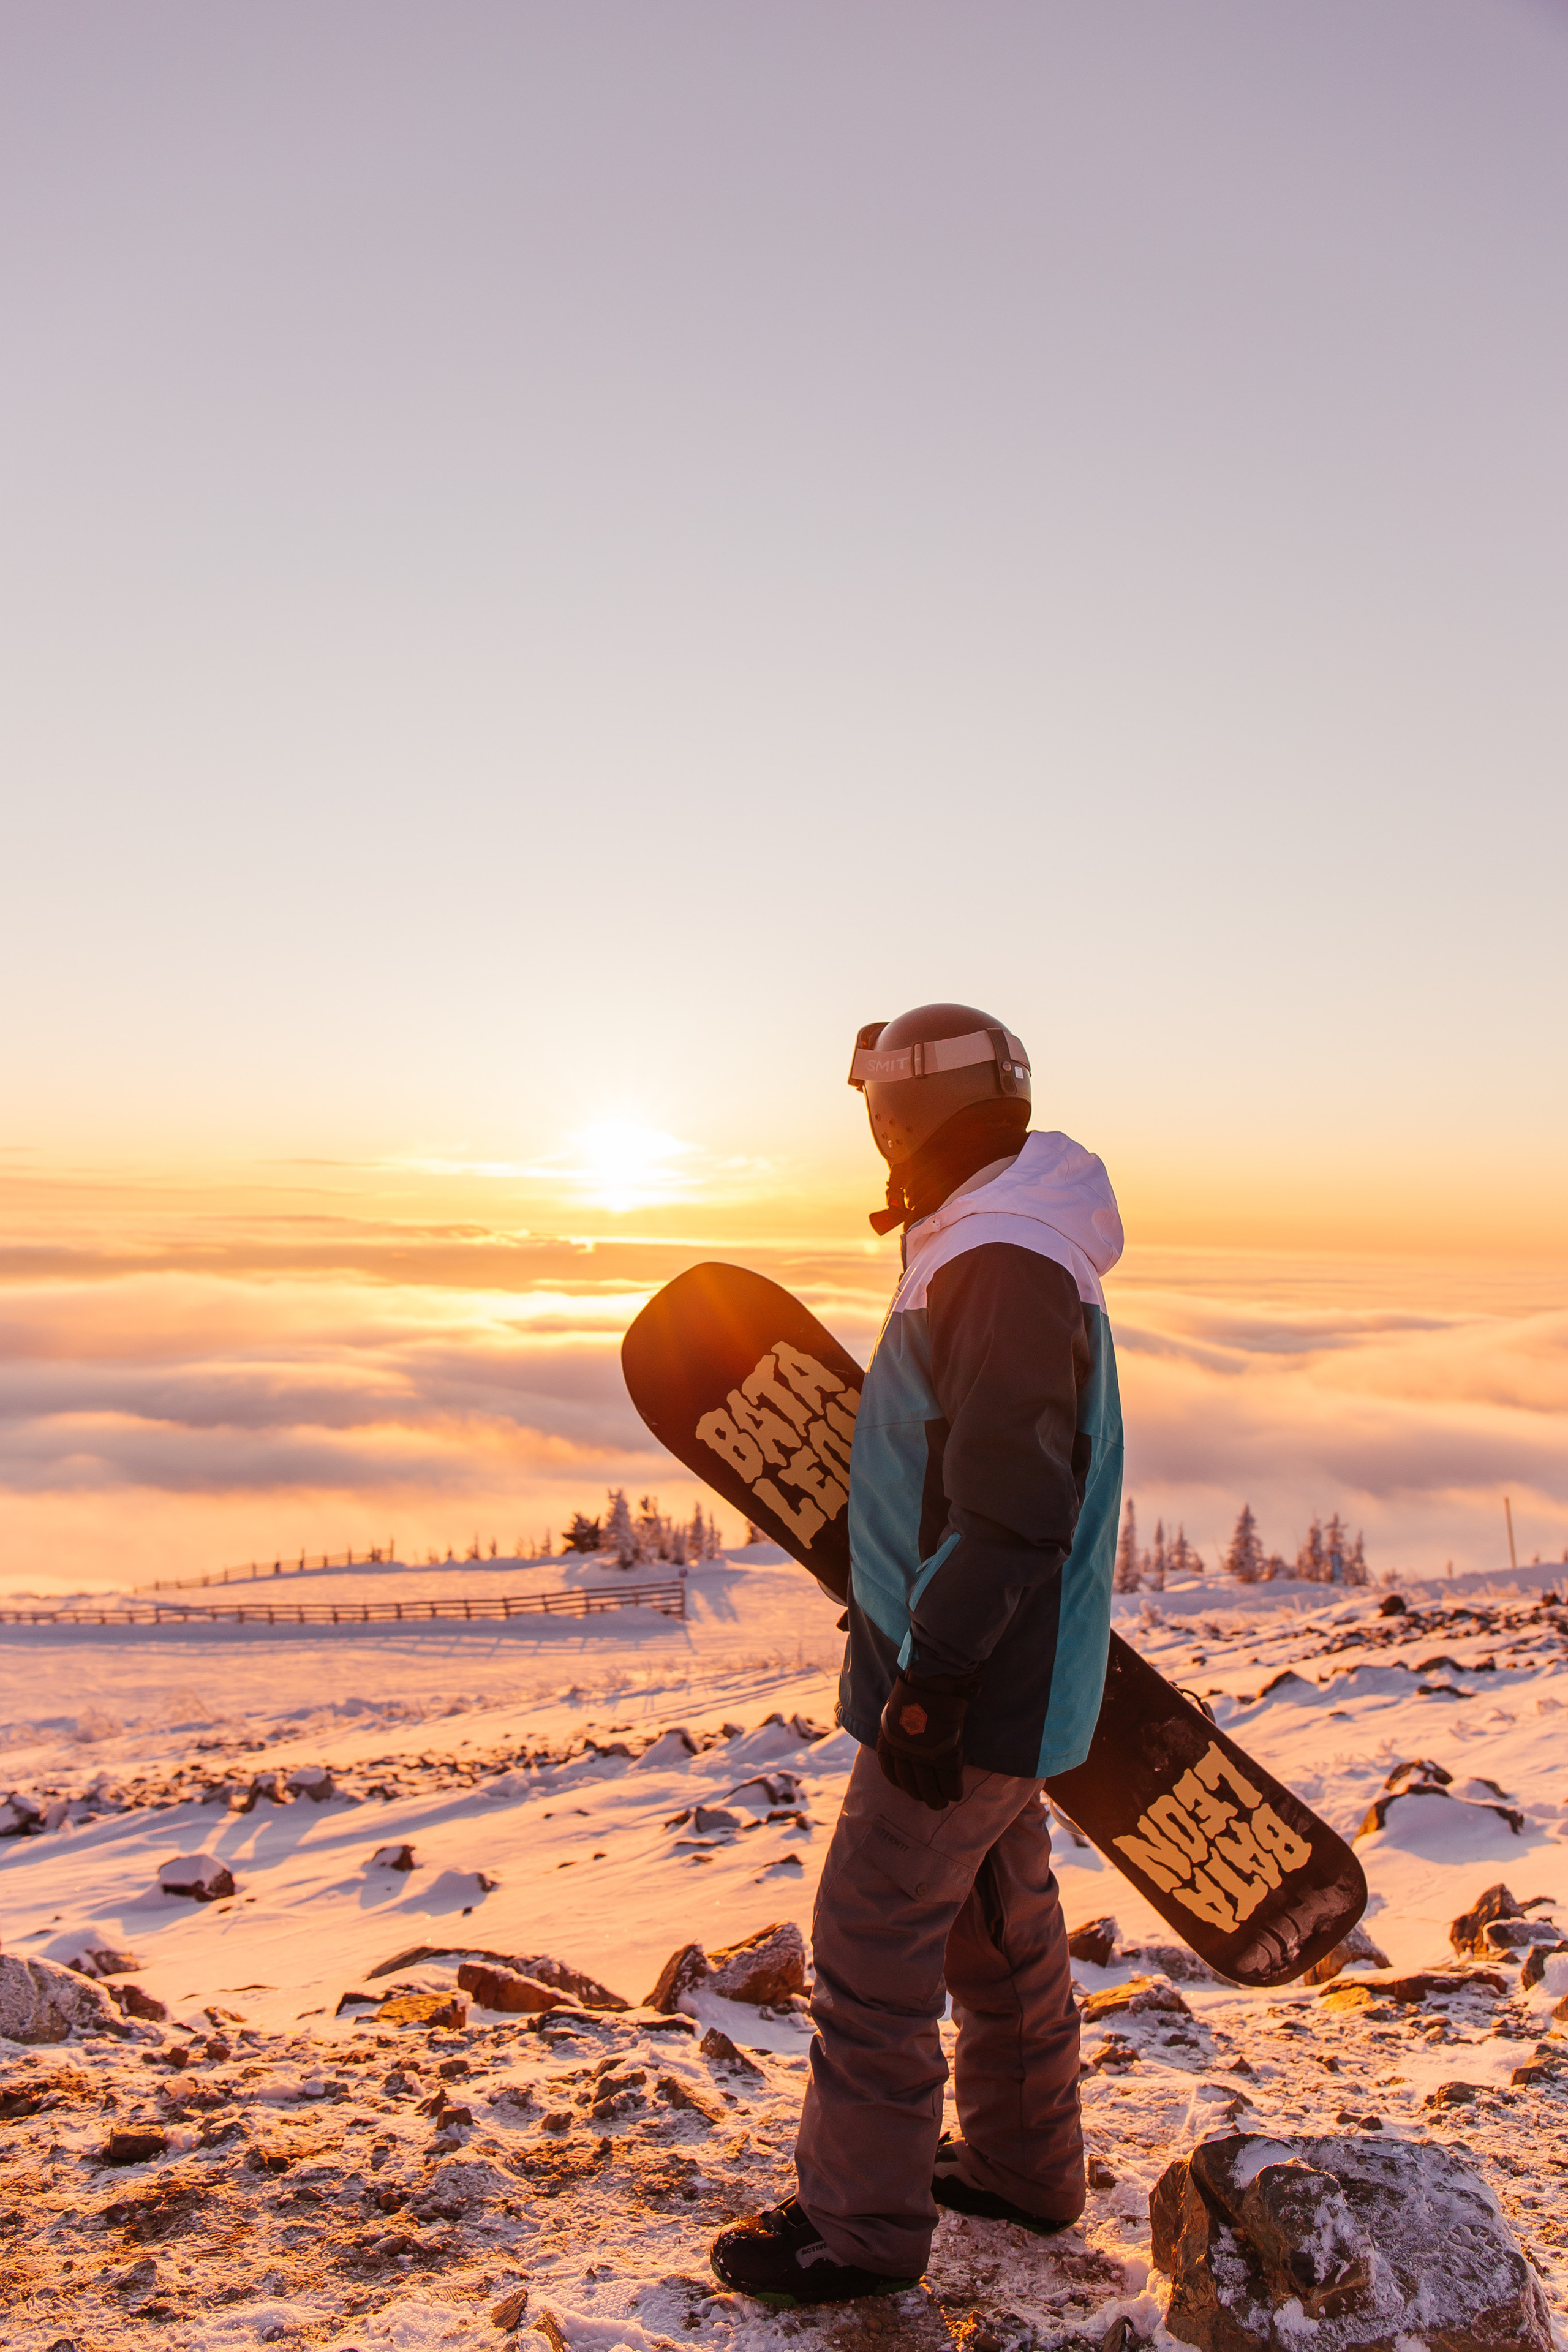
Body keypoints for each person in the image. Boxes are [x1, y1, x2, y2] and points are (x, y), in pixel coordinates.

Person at [710, 1001, 1125, 2307]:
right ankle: (1021, 2169)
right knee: (994, 1929)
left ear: (909, 1112)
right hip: (995, 1671)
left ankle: (856, 2234)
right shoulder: (995, 1233)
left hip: (972, 1684)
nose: (874, 1133)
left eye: (879, 1109)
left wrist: (931, 1683)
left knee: (871, 1939)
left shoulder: (997, 1257)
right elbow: (947, 1479)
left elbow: (1011, 1510)